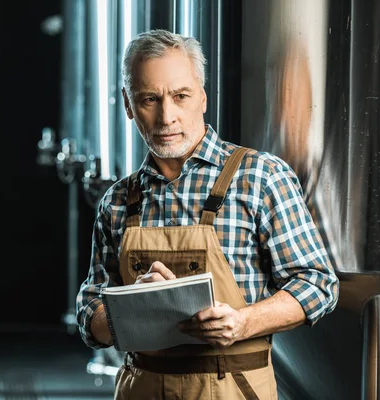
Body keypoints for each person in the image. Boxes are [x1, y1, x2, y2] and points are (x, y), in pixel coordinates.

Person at [75, 29, 339, 400]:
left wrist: (243, 322)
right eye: (149, 98)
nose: (167, 116)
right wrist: (129, 307)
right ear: (128, 105)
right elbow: (90, 316)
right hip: (142, 387)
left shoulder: (260, 177)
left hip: (233, 388)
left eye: (180, 96)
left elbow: (317, 284)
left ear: (202, 96)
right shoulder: (117, 201)